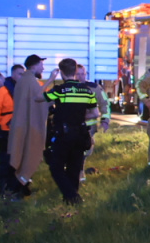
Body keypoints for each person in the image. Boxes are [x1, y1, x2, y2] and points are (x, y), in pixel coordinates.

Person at [42, 58, 107, 204]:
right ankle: (70, 201)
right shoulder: (87, 91)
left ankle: (72, 197)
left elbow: (37, 98)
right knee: (74, 168)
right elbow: (95, 113)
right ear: (75, 73)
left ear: (62, 74)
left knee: (56, 167)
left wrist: (50, 80)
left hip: (64, 135)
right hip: (81, 133)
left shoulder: (59, 90)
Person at [6, 55, 50, 192]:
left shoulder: (26, 80)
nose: (43, 67)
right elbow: (39, 99)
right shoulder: (29, 81)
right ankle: (18, 185)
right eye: (41, 65)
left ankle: (19, 186)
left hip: (22, 124)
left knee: (22, 153)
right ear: (34, 65)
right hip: (27, 125)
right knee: (27, 152)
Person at [0, 67, 28, 199]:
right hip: (6, 132)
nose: (22, 76)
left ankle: (20, 188)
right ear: (12, 75)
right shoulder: (1, 93)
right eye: (19, 74)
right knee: (6, 162)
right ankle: (5, 189)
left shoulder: (24, 89)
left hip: (21, 130)